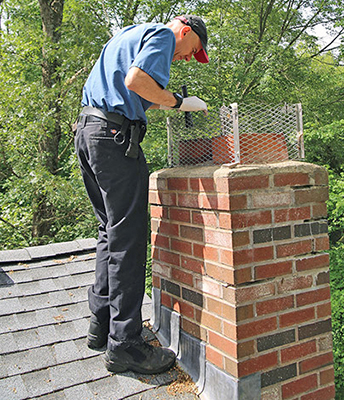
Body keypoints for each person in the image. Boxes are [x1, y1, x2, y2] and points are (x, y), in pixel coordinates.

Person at [74, 15, 209, 375]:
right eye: (191, 51)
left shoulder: (129, 35)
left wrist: (165, 100)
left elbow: (132, 89)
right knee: (130, 239)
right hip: (115, 140)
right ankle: (126, 345)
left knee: (110, 232)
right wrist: (179, 102)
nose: (183, 58)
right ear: (186, 31)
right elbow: (137, 82)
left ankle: (101, 323)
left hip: (89, 132)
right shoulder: (164, 36)